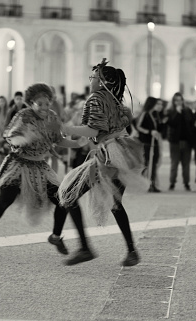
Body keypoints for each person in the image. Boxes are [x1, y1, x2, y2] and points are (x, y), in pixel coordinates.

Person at [0, 83, 89, 258]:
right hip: (19, 164)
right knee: (5, 199)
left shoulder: (52, 117)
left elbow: (57, 139)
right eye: (40, 104)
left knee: (64, 200)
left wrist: (76, 144)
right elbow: (10, 136)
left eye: (47, 104)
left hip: (40, 166)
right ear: (31, 103)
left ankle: (55, 236)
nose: (45, 108)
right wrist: (24, 139)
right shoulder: (23, 116)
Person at [56, 58, 146, 266]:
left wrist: (65, 128)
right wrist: (66, 141)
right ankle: (132, 251)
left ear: (104, 81)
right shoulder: (115, 100)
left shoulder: (96, 98)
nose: (91, 81)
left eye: (94, 77)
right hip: (122, 153)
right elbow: (89, 139)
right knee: (115, 204)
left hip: (110, 155)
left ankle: (85, 248)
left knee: (68, 195)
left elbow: (93, 131)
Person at [165, 92, 193, 191]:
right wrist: (177, 113)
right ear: (173, 101)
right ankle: (172, 183)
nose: (179, 102)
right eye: (176, 100)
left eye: (180, 100)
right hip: (174, 142)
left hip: (186, 141)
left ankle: (186, 183)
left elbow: (190, 123)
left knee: (186, 164)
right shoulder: (170, 111)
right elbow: (172, 124)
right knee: (174, 163)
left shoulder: (188, 110)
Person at [136, 96, 164, 192]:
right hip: (146, 142)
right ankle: (145, 183)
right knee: (147, 163)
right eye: (157, 104)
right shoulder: (145, 114)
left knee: (154, 163)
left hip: (154, 142)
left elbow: (159, 128)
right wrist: (149, 132)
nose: (159, 106)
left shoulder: (156, 115)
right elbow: (138, 126)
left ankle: (152, 183)